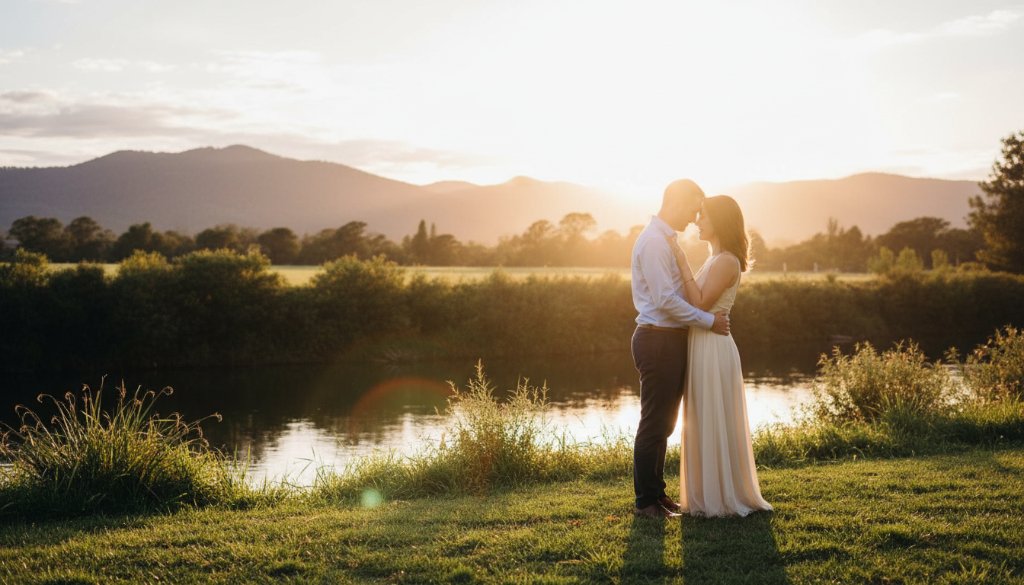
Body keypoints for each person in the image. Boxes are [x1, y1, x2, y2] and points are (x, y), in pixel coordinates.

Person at [630, 179, 730, 519]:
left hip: (669, 339)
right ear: (676, 201)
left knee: (666, 423)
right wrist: (707, 320)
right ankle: (645, 502)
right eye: (692, 208)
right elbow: (665, 300)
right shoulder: (655, 242)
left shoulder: (667, 240)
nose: (693, 217)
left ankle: (658, 496)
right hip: (657, 338)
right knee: (654, 422)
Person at [669, 195, 773, 517]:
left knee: (714, 416)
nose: (697, 221)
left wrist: (682, 261)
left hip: (714, 349)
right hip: (703, 343)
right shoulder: (715, 258)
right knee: (702, 418)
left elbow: (699, 303)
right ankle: (704, 494)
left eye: (703, 216)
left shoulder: (726, 260)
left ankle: (723, 496)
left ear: (720, 221)